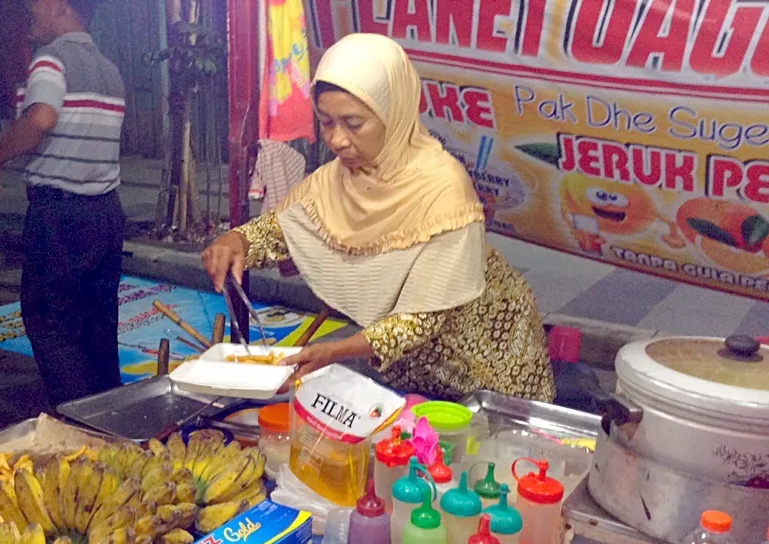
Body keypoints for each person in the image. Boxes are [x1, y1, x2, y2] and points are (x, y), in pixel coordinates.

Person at [203, 34, 554, 402]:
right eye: (326, 123)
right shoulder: (336, 180)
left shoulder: (443, 188)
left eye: (353, 124)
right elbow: (281, 229)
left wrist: (335, 352)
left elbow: (421, 319)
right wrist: (237, 241)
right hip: (408, 370)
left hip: (488, 360)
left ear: (393, 113)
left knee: (489, 452)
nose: (337, 140)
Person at [0, 0, 126, 407]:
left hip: (61, 214)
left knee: (51, 323)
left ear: (59, 7)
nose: (28, 10)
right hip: (106, 214)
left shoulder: (51, 59)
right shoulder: (110, 71)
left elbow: (40, 118)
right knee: (98, 324)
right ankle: (111, 418)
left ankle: (79, 423)